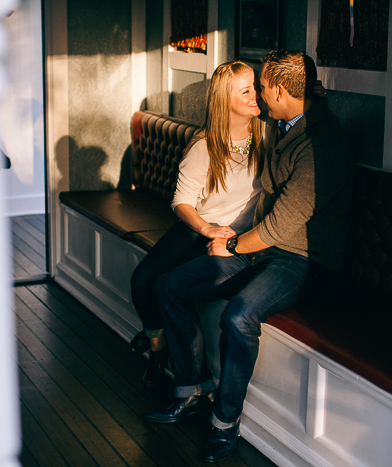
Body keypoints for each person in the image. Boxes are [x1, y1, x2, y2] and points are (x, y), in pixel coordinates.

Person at [143, 50, 355, 463]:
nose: (258, 94)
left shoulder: (321, 146)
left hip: (301, 260)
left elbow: (280, 227)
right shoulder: (284, 124)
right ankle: (191, 387)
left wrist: (232, 244)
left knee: (239, 315)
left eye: (261, 87)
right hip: (263, 247)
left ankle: (224, 421)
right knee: (170, 285)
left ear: (279, 90)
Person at [129, 60, 264, 387]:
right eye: (245, 90)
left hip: (240, 238)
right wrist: (206, 229)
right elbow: (181, 202)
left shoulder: (268, 136)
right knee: (143, 279)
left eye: (255, 87)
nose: (255, 95)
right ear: (224, 100)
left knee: (169, 284)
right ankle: (157, 347)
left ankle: (181, 372)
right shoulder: (205, 145)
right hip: (199, 227)